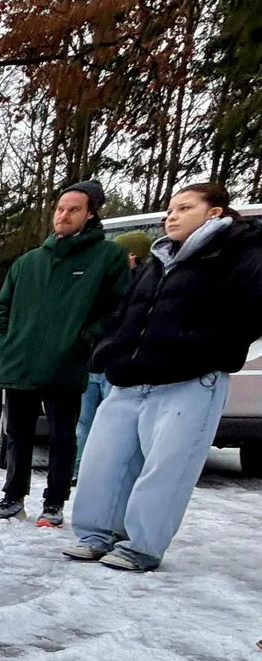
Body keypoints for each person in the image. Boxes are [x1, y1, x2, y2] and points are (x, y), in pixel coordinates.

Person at [65, 183, 262, 571]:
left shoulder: (239, 254)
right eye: (169, 209)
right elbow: (126, 312)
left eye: (184, 208)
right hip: (129, 379)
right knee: (103, 462)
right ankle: (97, 534)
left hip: (188, 382)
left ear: (215, 213)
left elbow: (251, 314)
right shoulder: (158, 260)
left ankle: (143, 545)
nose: (170, 216)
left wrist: (206, 347)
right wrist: (109, 349)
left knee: (166, 471)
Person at [0, 181, 130, 527]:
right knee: (17, 435)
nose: (63, 215)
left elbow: (117, 308)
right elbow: (1, 308)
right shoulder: (28, 262)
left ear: (91, 214)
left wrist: (84, 341)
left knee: (62, 436)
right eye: (60, 208)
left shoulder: (107, 257)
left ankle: (54, 503)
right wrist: (2, 342)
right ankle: (12, 497)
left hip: (66, 365)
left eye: (73, 209)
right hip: (19, 363)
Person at [73, 230, 151, 480]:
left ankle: (106, 475)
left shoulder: (143, 285)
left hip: (115, 368)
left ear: (132, 255)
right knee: (84, 424)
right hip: (92, 364)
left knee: (113, 426)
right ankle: (79, 470)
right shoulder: (103, 283)